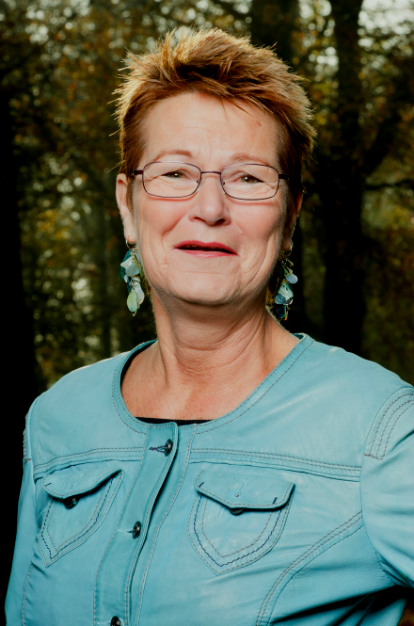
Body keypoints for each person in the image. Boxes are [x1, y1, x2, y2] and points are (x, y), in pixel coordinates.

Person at [6, 28, 414, 626]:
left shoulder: (380, 428)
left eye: (248, 178)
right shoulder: (56, 419)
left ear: (290, 216)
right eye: (175, 173)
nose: (210, 208)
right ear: (127, 203)